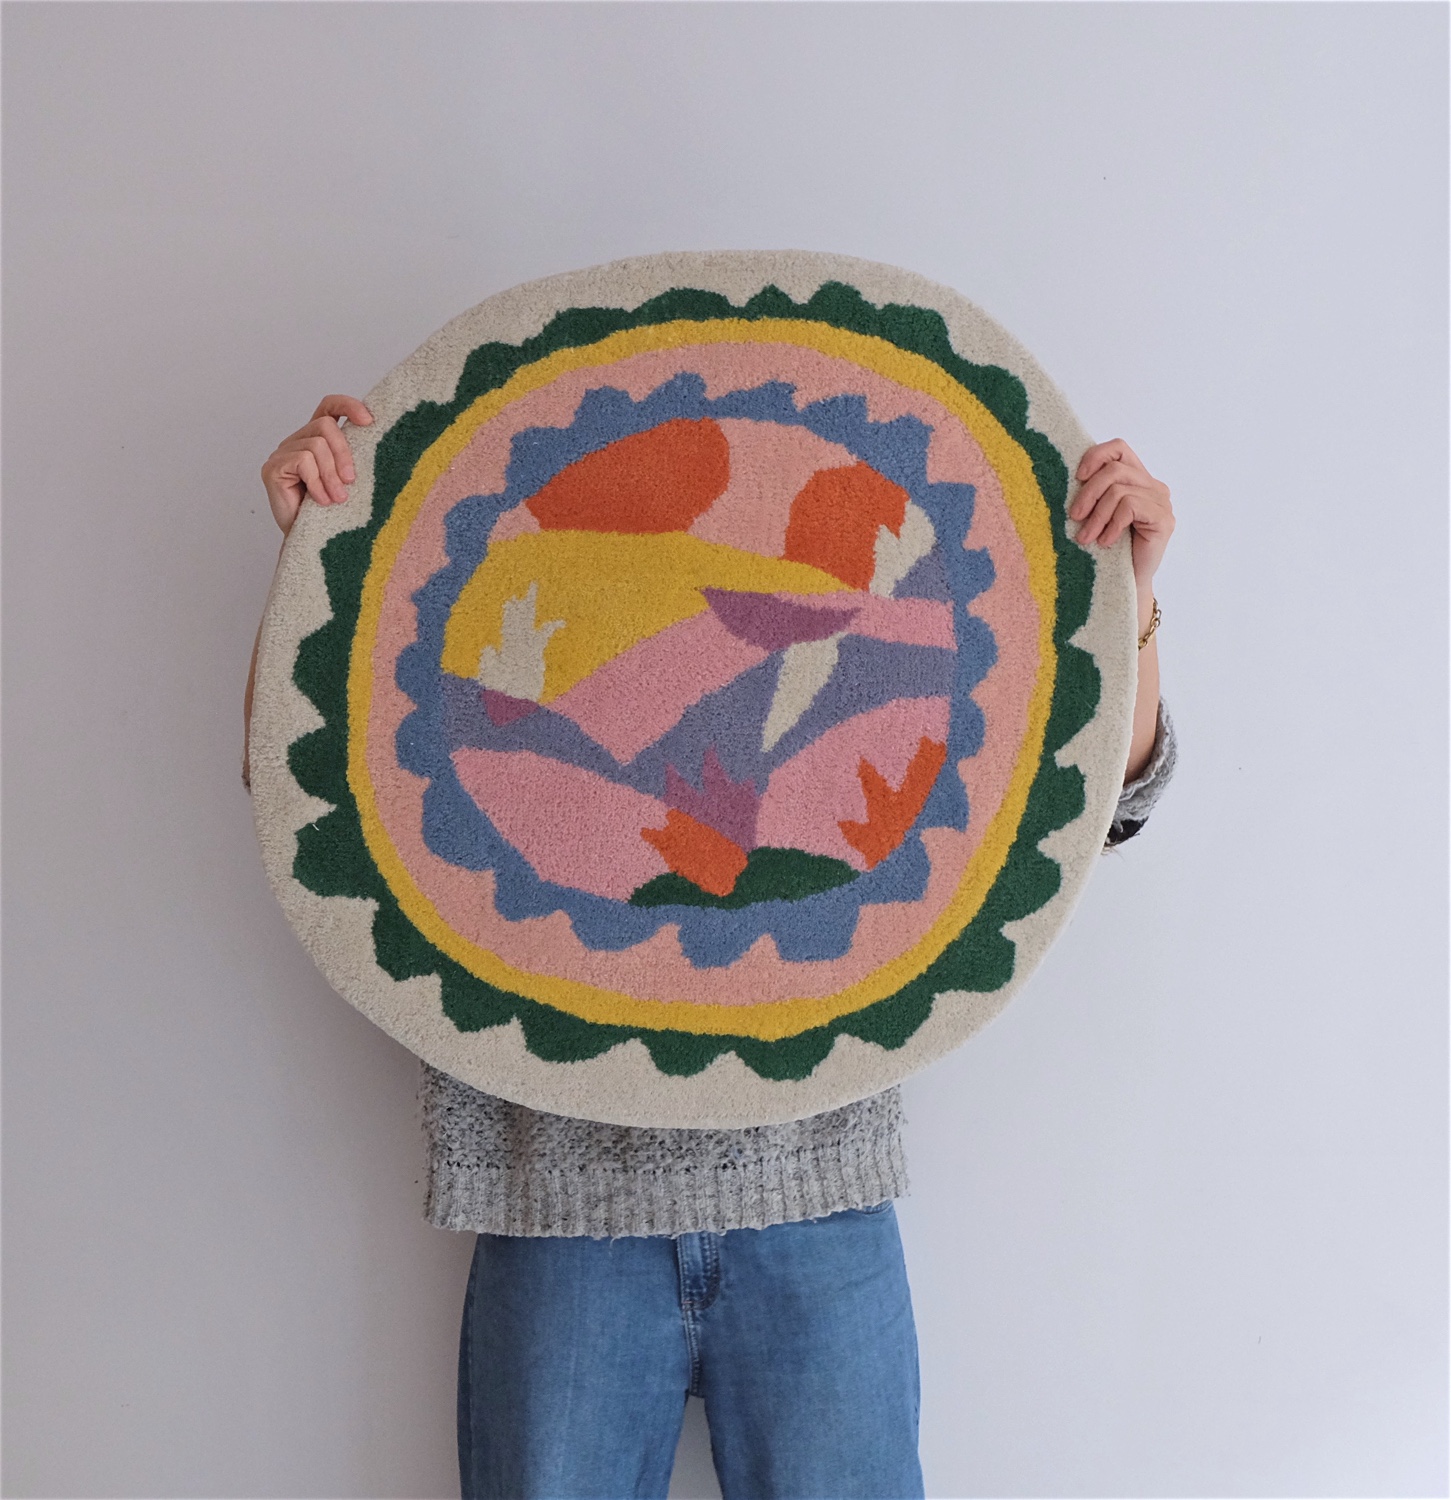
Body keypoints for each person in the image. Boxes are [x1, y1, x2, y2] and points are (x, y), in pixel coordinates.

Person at [248, 396, 1178, 1500]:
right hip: (556, 1202)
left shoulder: (872, 633)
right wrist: (317, 556)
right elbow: (296, 791)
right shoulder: (572, 612)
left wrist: (1127, 594)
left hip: (816, 1198)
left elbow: (1105, 807)